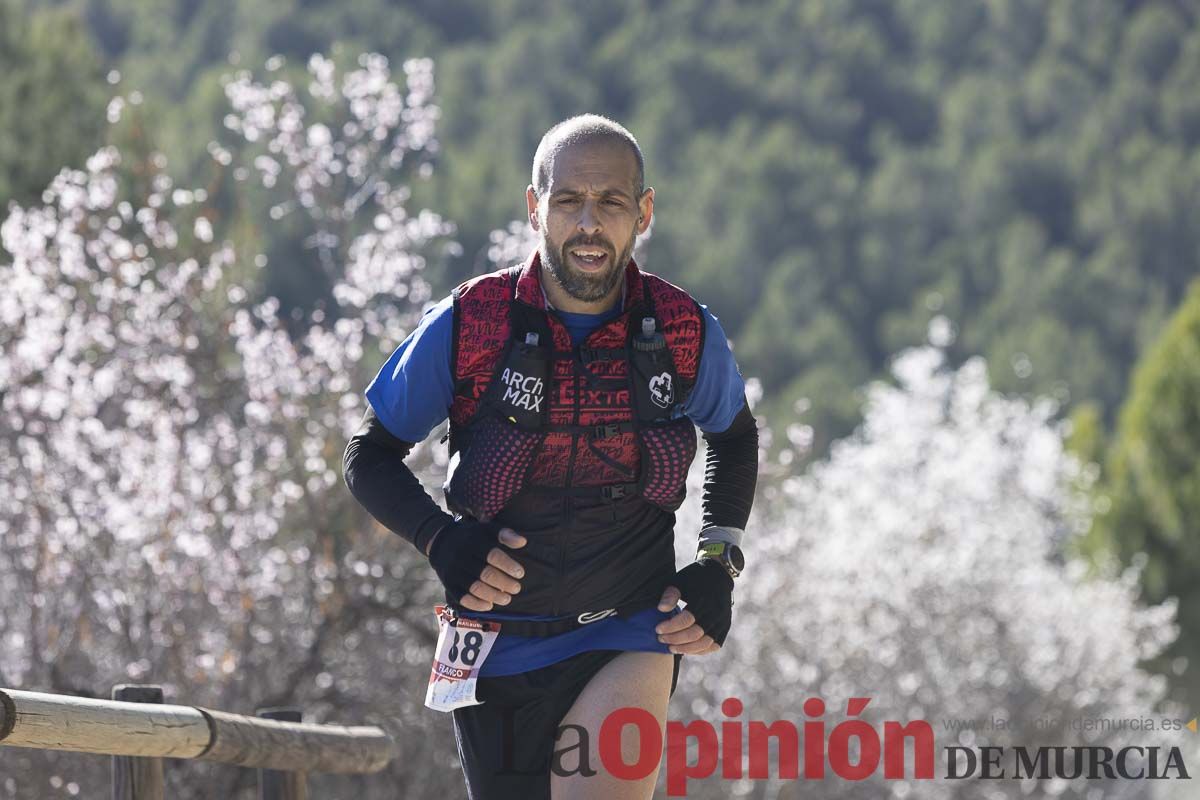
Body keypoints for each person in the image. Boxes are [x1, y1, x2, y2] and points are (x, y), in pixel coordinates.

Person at [343, 114, 758, 800]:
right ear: (535, 208)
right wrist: (441, 541)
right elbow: (370, 455)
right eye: (568, 201)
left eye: (612, 202)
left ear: (644, 212)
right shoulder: (469, 321)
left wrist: (719, 559)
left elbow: (734, 438)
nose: (589, 224)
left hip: (629, 630)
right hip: (493, 644)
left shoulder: (684, 330)